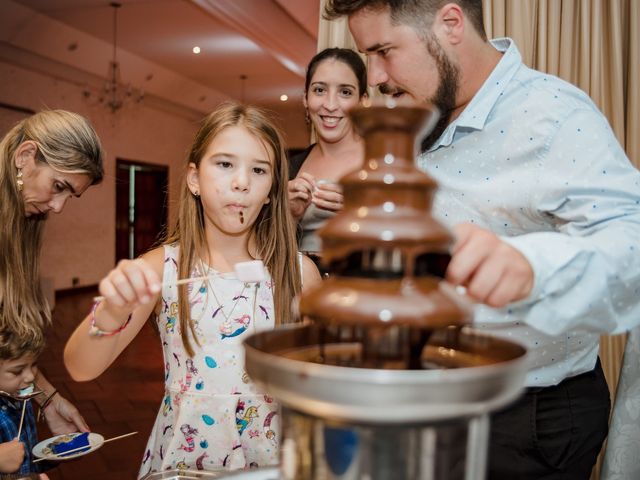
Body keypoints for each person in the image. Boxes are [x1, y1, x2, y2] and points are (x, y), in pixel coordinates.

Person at [324, 1, 640, 479]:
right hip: (424, 395)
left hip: (527, 418)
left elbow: (632, 243)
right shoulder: (414, 110)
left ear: (450, 24)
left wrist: (530, 267)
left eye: (384, 51)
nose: (375, 77)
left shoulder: (553, 116)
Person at [63, 102, 322, 477]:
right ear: (194, 178)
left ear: (271, 190)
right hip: (184, 456)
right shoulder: (160, 268)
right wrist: (113, 311)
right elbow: (81, 368)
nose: (241, 182)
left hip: (271, 457)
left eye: (259, 170)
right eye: (225, 164)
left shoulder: (299, 274)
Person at [0, 109, 102, 446]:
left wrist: (47, 398)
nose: (58, 207)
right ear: (25, 156)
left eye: (69, 195)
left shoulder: (23, 225)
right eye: (58, 186)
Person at [288, 47, 368, 264]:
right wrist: (287, 216)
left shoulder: (383, 164)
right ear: (306, 98)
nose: (330, 105)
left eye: (345, 92)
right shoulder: (288, 168)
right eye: (320, 90)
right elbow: (263, 247)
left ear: (363, 101)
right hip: (298, 289)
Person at [0, 324, 50, 479]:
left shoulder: (20, 397)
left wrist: (57, 451)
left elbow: (26, 457)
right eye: (17, 371)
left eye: (34, 364)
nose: (30, 377)